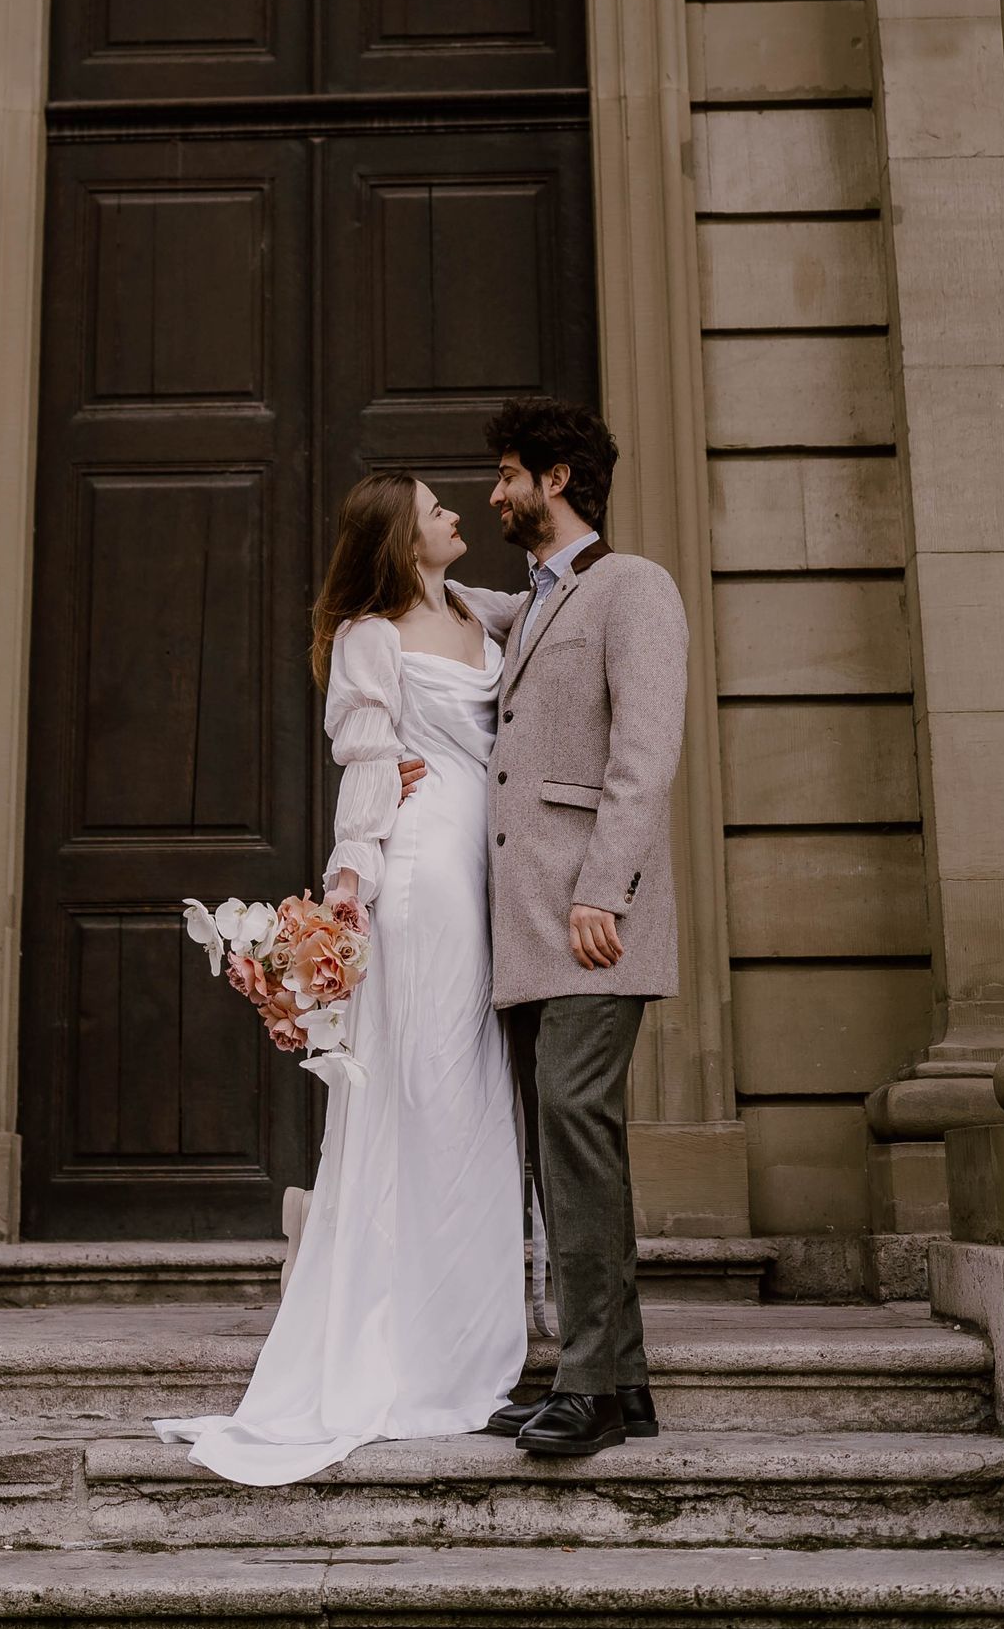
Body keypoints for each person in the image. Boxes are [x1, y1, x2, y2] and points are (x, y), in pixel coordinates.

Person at [157, 471, 527, 1484]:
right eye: (437, 508)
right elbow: (369, 771)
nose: (457, 515)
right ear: (404, 536)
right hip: (420, 879)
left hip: (488, 874)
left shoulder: (481, 611)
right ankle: (412, 1359)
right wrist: (349, 888)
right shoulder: (371, 637)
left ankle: (472, 1346)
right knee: (424, 1098)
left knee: (472, 1103)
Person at [476, 395, 689, 1460]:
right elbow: (478, 613)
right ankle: (623, 1382)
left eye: (509, 474)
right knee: (565, 1150)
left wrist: (605, 888)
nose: (495, 493)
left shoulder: (632, 588)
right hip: (532, 934)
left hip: (593, 922)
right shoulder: (541, 601)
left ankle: (593, 1382)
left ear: (556, 479)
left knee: (577, 1141)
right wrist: (394, 577)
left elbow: (644, 753)